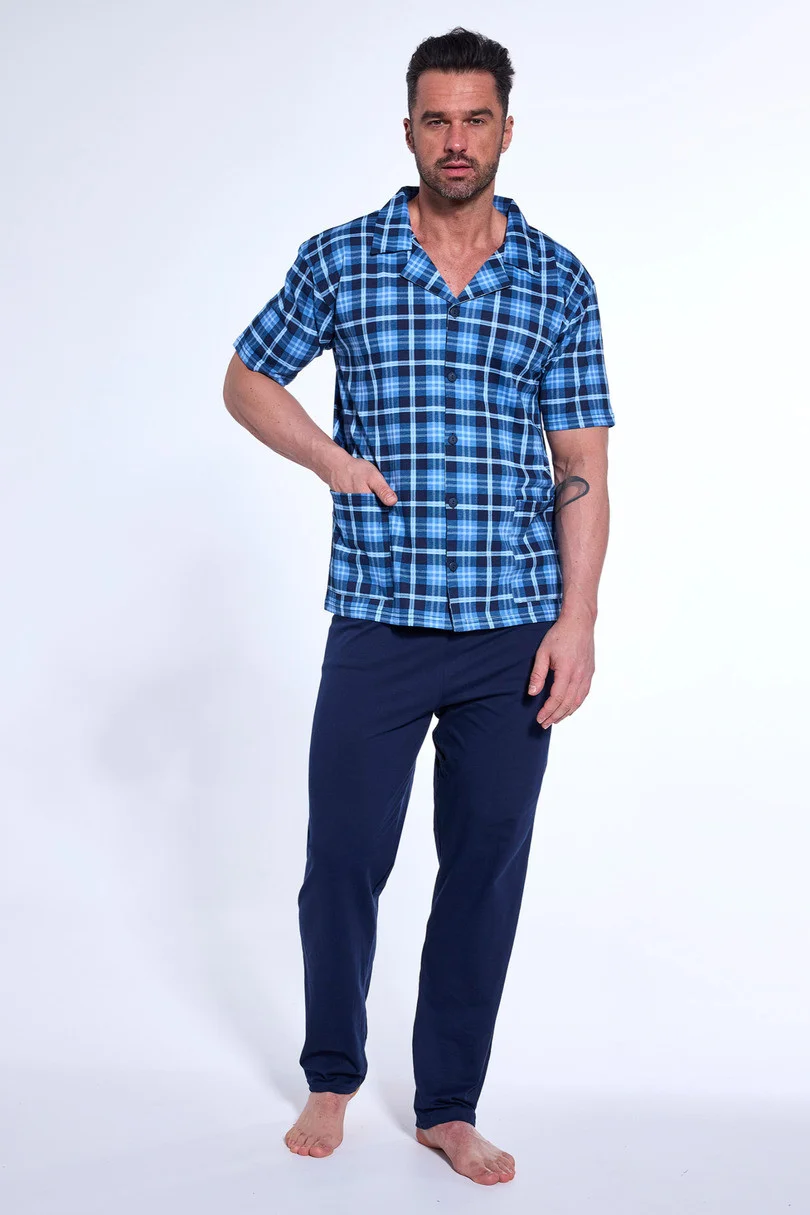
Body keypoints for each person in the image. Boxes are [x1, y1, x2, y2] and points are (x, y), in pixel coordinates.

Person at [222, 25, 615, 1187]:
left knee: (484, 872)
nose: (456, 139)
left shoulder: (557, 279)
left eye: (475, 118)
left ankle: (448, 1105)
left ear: (506, 130)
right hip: (380, 619)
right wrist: (329, 460)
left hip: (511, 630)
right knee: (343, 859)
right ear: (408, 130)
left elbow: (582, 464)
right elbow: (248, 376)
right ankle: (332, 1073)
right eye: (437, 119)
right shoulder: (344, 259)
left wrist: (579, 620)